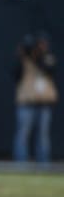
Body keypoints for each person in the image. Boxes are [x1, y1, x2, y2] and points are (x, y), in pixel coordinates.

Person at [12, 31, 58, 164]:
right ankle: (21, 163)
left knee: (43, 136)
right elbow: (14, 74)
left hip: (44, 103)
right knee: (22, 134)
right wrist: (22, 55)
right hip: (26, 102)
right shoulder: (24, 59)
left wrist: (38, 56)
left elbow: (50, 70)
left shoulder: (48, 57)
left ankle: (43, 163)